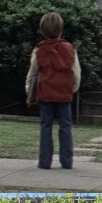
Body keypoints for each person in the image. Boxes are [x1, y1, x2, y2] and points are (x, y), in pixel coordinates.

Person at [25, 12, 81, 169]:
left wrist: (29, 90)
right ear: (61, 29)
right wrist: (73, 88)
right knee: (65, 126)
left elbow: (33, 72)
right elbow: (75, 72)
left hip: (46, 92)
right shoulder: (69, 48)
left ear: (42, 30)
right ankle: (67, 161)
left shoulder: (39, 50)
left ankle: (44, 161)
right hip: (64, 92)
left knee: (45, 125)